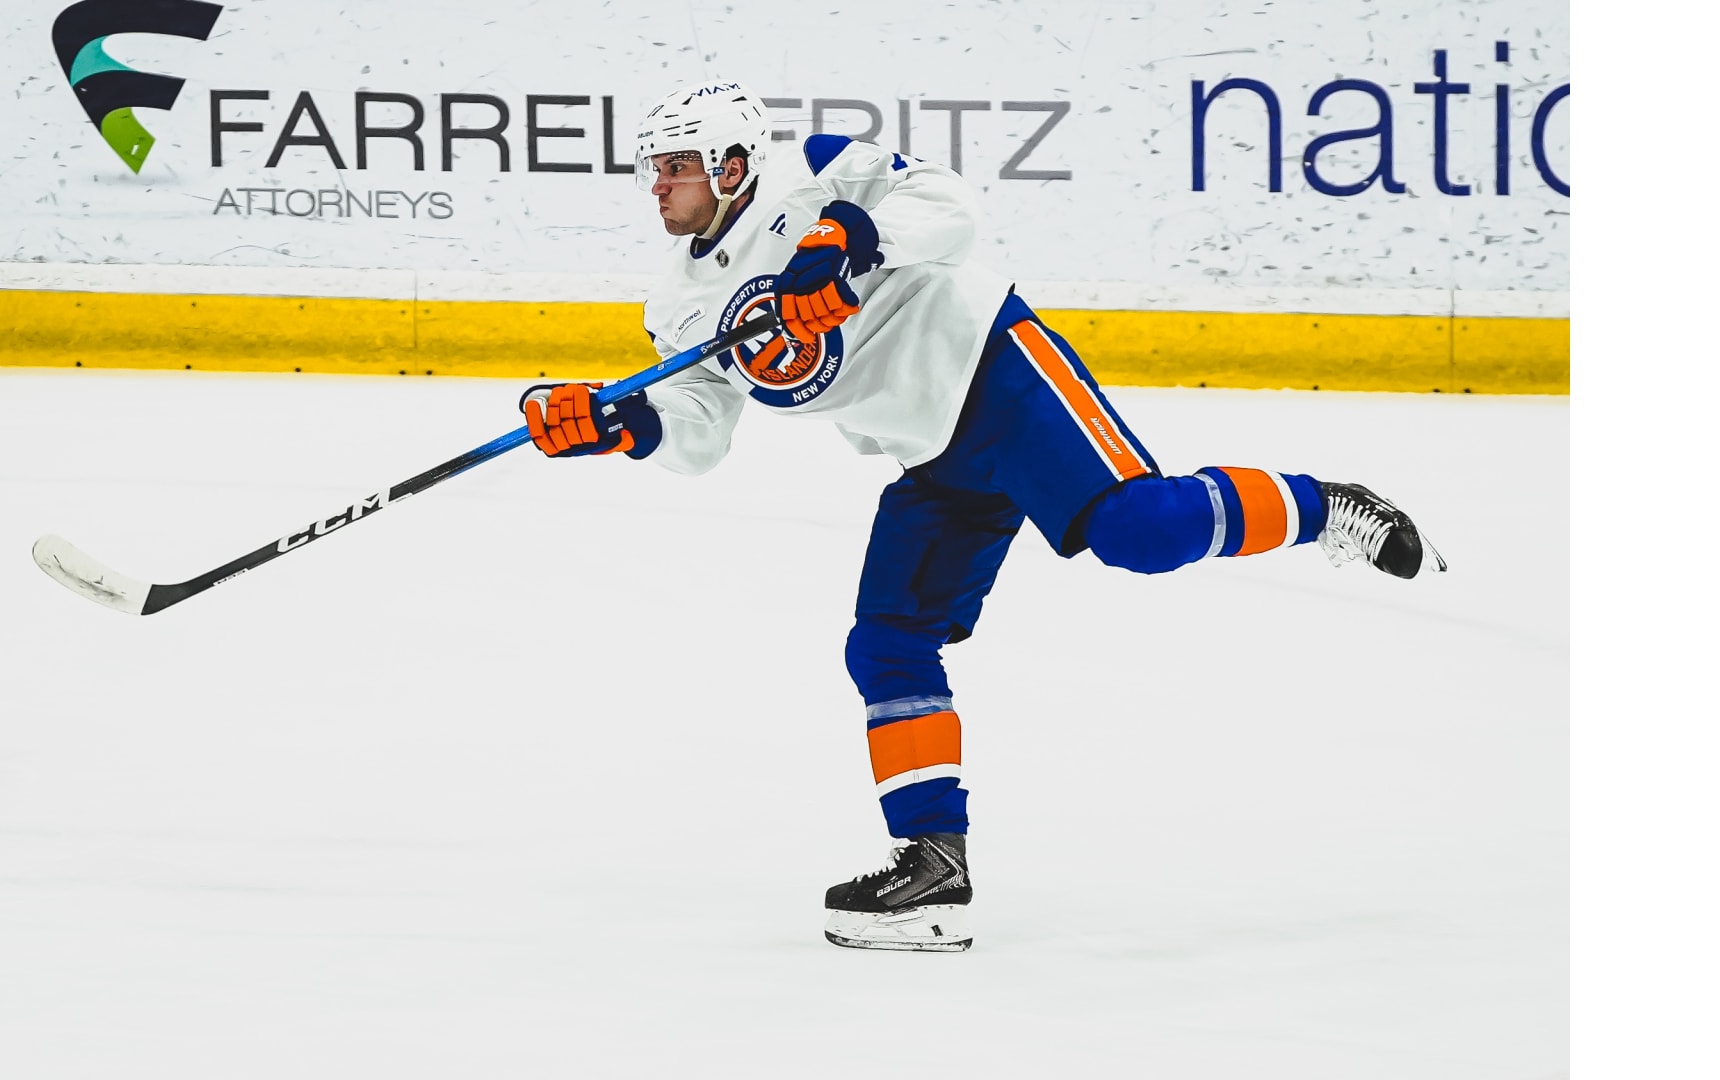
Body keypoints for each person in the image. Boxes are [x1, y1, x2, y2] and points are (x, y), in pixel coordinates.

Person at [518, 81, 1445, 953]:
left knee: (1137, 532)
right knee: (888, 645)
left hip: (994, 371)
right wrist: (619, 425)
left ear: (730, 166)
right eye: (655, 169)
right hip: (929, 451)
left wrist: (845, 236)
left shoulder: (818, 171)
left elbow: (951, 208)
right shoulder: (679, 304)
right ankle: (935, 866)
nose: (659, 185)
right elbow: (699, 431)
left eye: (675, 166)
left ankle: (1327, 506)